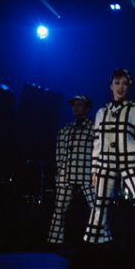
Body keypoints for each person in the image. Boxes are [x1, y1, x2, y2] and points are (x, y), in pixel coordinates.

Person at [83, 69, 135, 245]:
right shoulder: (101, 113)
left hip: (131, 161)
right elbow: (97, 144)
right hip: (106, 162)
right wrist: (94, 169)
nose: (121, 87)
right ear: (111, 85)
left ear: (129, 87)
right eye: (117, 83)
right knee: (100, 204)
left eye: (125, 83)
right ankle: (92, 243)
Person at [47, 95, 95, 245]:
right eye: (74, 105)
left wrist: (97, 173)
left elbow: (99, 152)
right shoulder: (65, 130)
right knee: (59, 209)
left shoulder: (95, 128)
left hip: (87, 174)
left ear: (87, 108)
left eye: (80, 105)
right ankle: (54, 241)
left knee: (97, 208)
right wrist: (59, 176)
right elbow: (60, 154)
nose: (76, 107)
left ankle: (101, 239)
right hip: (67, 174)